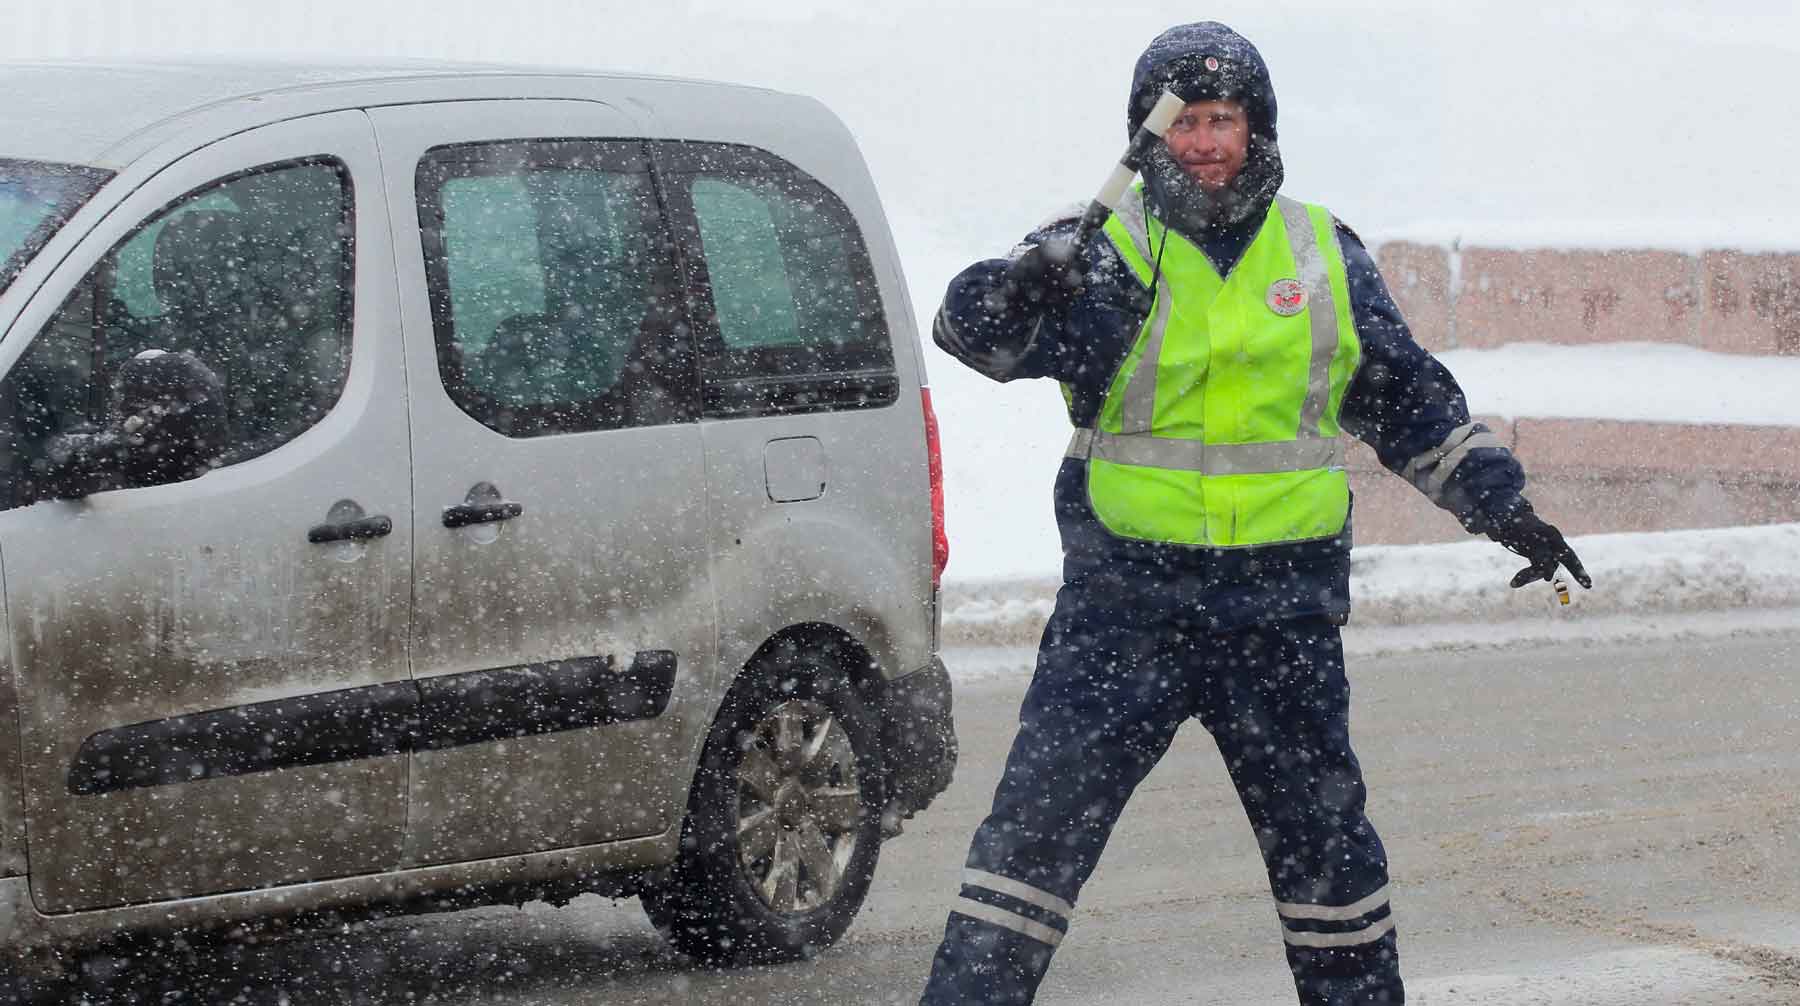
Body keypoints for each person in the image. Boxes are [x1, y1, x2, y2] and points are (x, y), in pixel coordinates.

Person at [918, 21, 1590, 1006]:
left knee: (1329, 860)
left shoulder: (1320, 252)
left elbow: (1406, 400)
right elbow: (967, 331)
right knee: (1030, 845)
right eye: (1184, 121)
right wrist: (1019, 283)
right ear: (1148, 134)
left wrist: (1504, 507)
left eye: (1221, 118)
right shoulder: (1096, 250)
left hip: (1279, 616)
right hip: (1124, 609)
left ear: (1254, 126)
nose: (1203, 140)